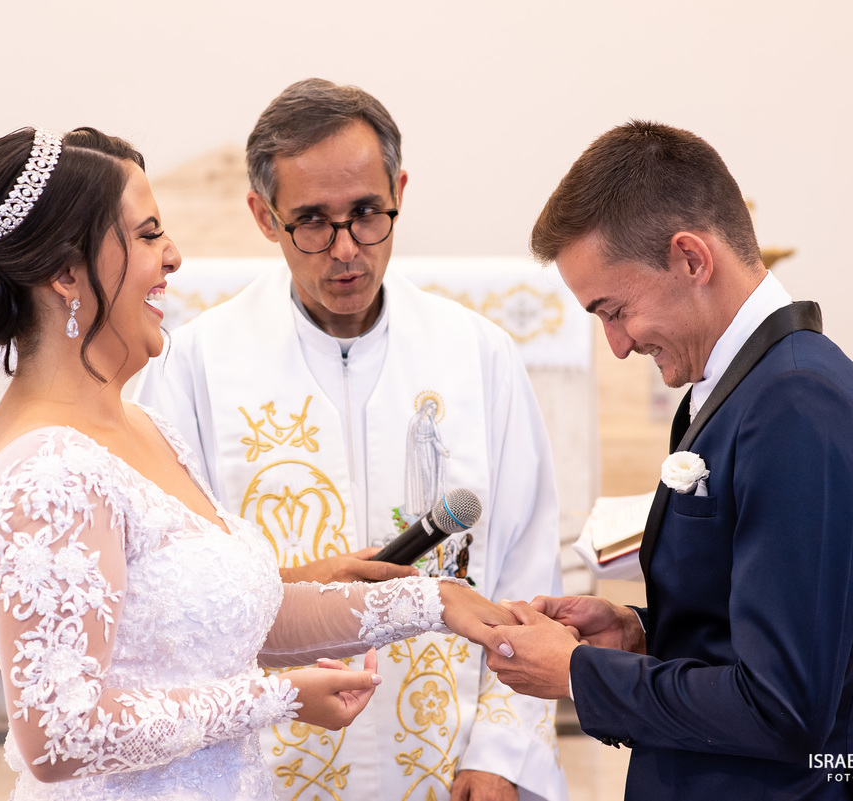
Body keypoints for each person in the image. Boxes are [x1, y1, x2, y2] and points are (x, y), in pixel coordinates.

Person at [0, 126, 521, 801]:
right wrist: (276, 697)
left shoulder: (136, 423)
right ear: (65, 272)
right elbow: (57, 732)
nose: (173, 255)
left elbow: (244, 619)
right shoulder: (50, 470)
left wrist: (433, 604)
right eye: (147, 234)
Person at [141, 79, 567, 801]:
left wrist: (501, 751)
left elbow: (527, 566)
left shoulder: (477, 354)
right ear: (263, 215)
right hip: (272, 769)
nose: (346, 250)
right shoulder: (197, 366)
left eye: (368, 213)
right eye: (312, 220)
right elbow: (169, 588)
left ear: (399, 188)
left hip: (457, 763)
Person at [485, 121, 853, 800]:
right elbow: (763, 626)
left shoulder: (800, 405)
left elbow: (783, 706)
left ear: (690, 257)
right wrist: (641, 633)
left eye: (615, 309)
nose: (617, 344)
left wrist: (577, 674)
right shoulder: (749, 386)